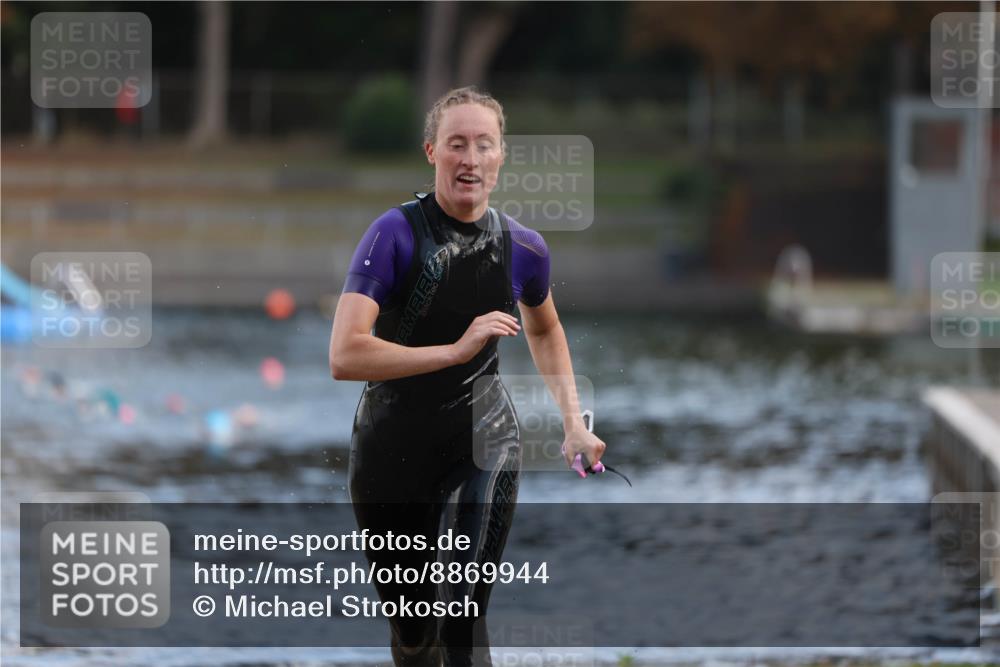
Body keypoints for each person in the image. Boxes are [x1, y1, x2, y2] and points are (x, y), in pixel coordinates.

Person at [329, 86, 605, 667]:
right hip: (390, 450)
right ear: (432, 151)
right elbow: (346, 354)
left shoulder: (524, 248)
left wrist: (573, 423)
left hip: (484, 440)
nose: (470, 159)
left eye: (484, 146)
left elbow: (546, 330)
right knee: (414, 633)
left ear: (501, 157)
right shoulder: (395, 234)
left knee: (463, 609)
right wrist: (453, 352)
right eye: (457, 144)